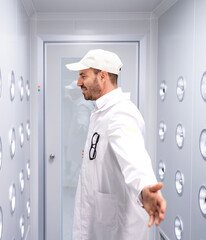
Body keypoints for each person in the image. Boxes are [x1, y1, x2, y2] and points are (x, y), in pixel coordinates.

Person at [66, 49, 166, 240]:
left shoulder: (120, 114)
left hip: (116, 230)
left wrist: (145, 187)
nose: (79, 83)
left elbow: (133, 156)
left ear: (102, 76)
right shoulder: (102, 112)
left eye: (83, 76)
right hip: (101, 225)